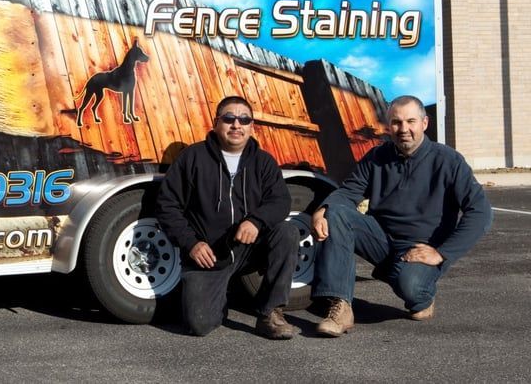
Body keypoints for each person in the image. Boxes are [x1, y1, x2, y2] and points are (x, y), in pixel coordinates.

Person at [311, 95, 492, 337]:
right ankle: (341, 306)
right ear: (388, 125)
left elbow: (481, 212)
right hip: (381, 239)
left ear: (424, 123)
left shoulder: (448, 161)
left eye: (410, 121)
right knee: (337, 214)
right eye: (396, 122)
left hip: (421, 247)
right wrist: (323, 209)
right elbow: (348, 192)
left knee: (411, 287)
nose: (403, 129)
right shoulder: (377, 157)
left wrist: (441, 253)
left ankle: (422, 298)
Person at [156, 96, 298, 339]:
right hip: (209, 256)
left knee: (287, 232)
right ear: (216, 123)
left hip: (250, 249)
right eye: (229, 118)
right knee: (199, 324)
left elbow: (281, 201)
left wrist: (256, 221)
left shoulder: (263, 161)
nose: (236, 125)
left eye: (244, 119)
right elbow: (167, 206)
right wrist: (191, 244)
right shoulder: (192, 158)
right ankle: (219, 292)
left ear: (251, 126)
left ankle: (270, 313)